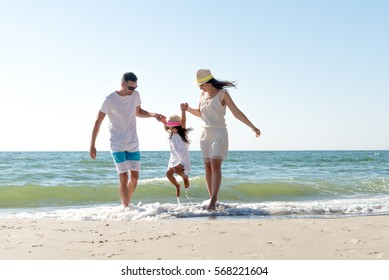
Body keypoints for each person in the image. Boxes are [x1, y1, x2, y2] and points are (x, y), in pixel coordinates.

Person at [182, 69, 261, 210]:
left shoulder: (222, 94)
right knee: (207, 167)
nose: (200, 87)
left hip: (219, 133)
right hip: (205, 134)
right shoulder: (202, 95)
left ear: (209, 82)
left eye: (201, 84)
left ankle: (213, 200)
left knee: (215, 165)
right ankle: (212, 198)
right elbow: (201, 114)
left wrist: (252, 127)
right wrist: (188, 109)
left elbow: (236, 112)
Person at [89, 72, 165, 208]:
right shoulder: (109, 100)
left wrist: (154, 115)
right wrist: (92, 145)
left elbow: (138, 112)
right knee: (123, 177)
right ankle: (126, 208)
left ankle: (126, 204)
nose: (133, 91)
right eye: (130, 88)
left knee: (135, 178)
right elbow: (97, 122)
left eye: (135, 87)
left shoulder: (135, 95)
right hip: (117, 143)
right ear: (122, 84)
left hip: (133, 142)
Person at [162, 108, 192, 199]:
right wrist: (163, 121)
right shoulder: (171, 134)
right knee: (169, 174)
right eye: (169, 127)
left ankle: (185, 178)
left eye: (171, 126)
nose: (169, 128)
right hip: (174, 159)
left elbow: (183, 121)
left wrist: (183, 111)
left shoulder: (182, 133)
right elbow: (165, 127)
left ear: (177, 126)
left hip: (182, 160)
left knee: (172, 171)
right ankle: (178, 185)